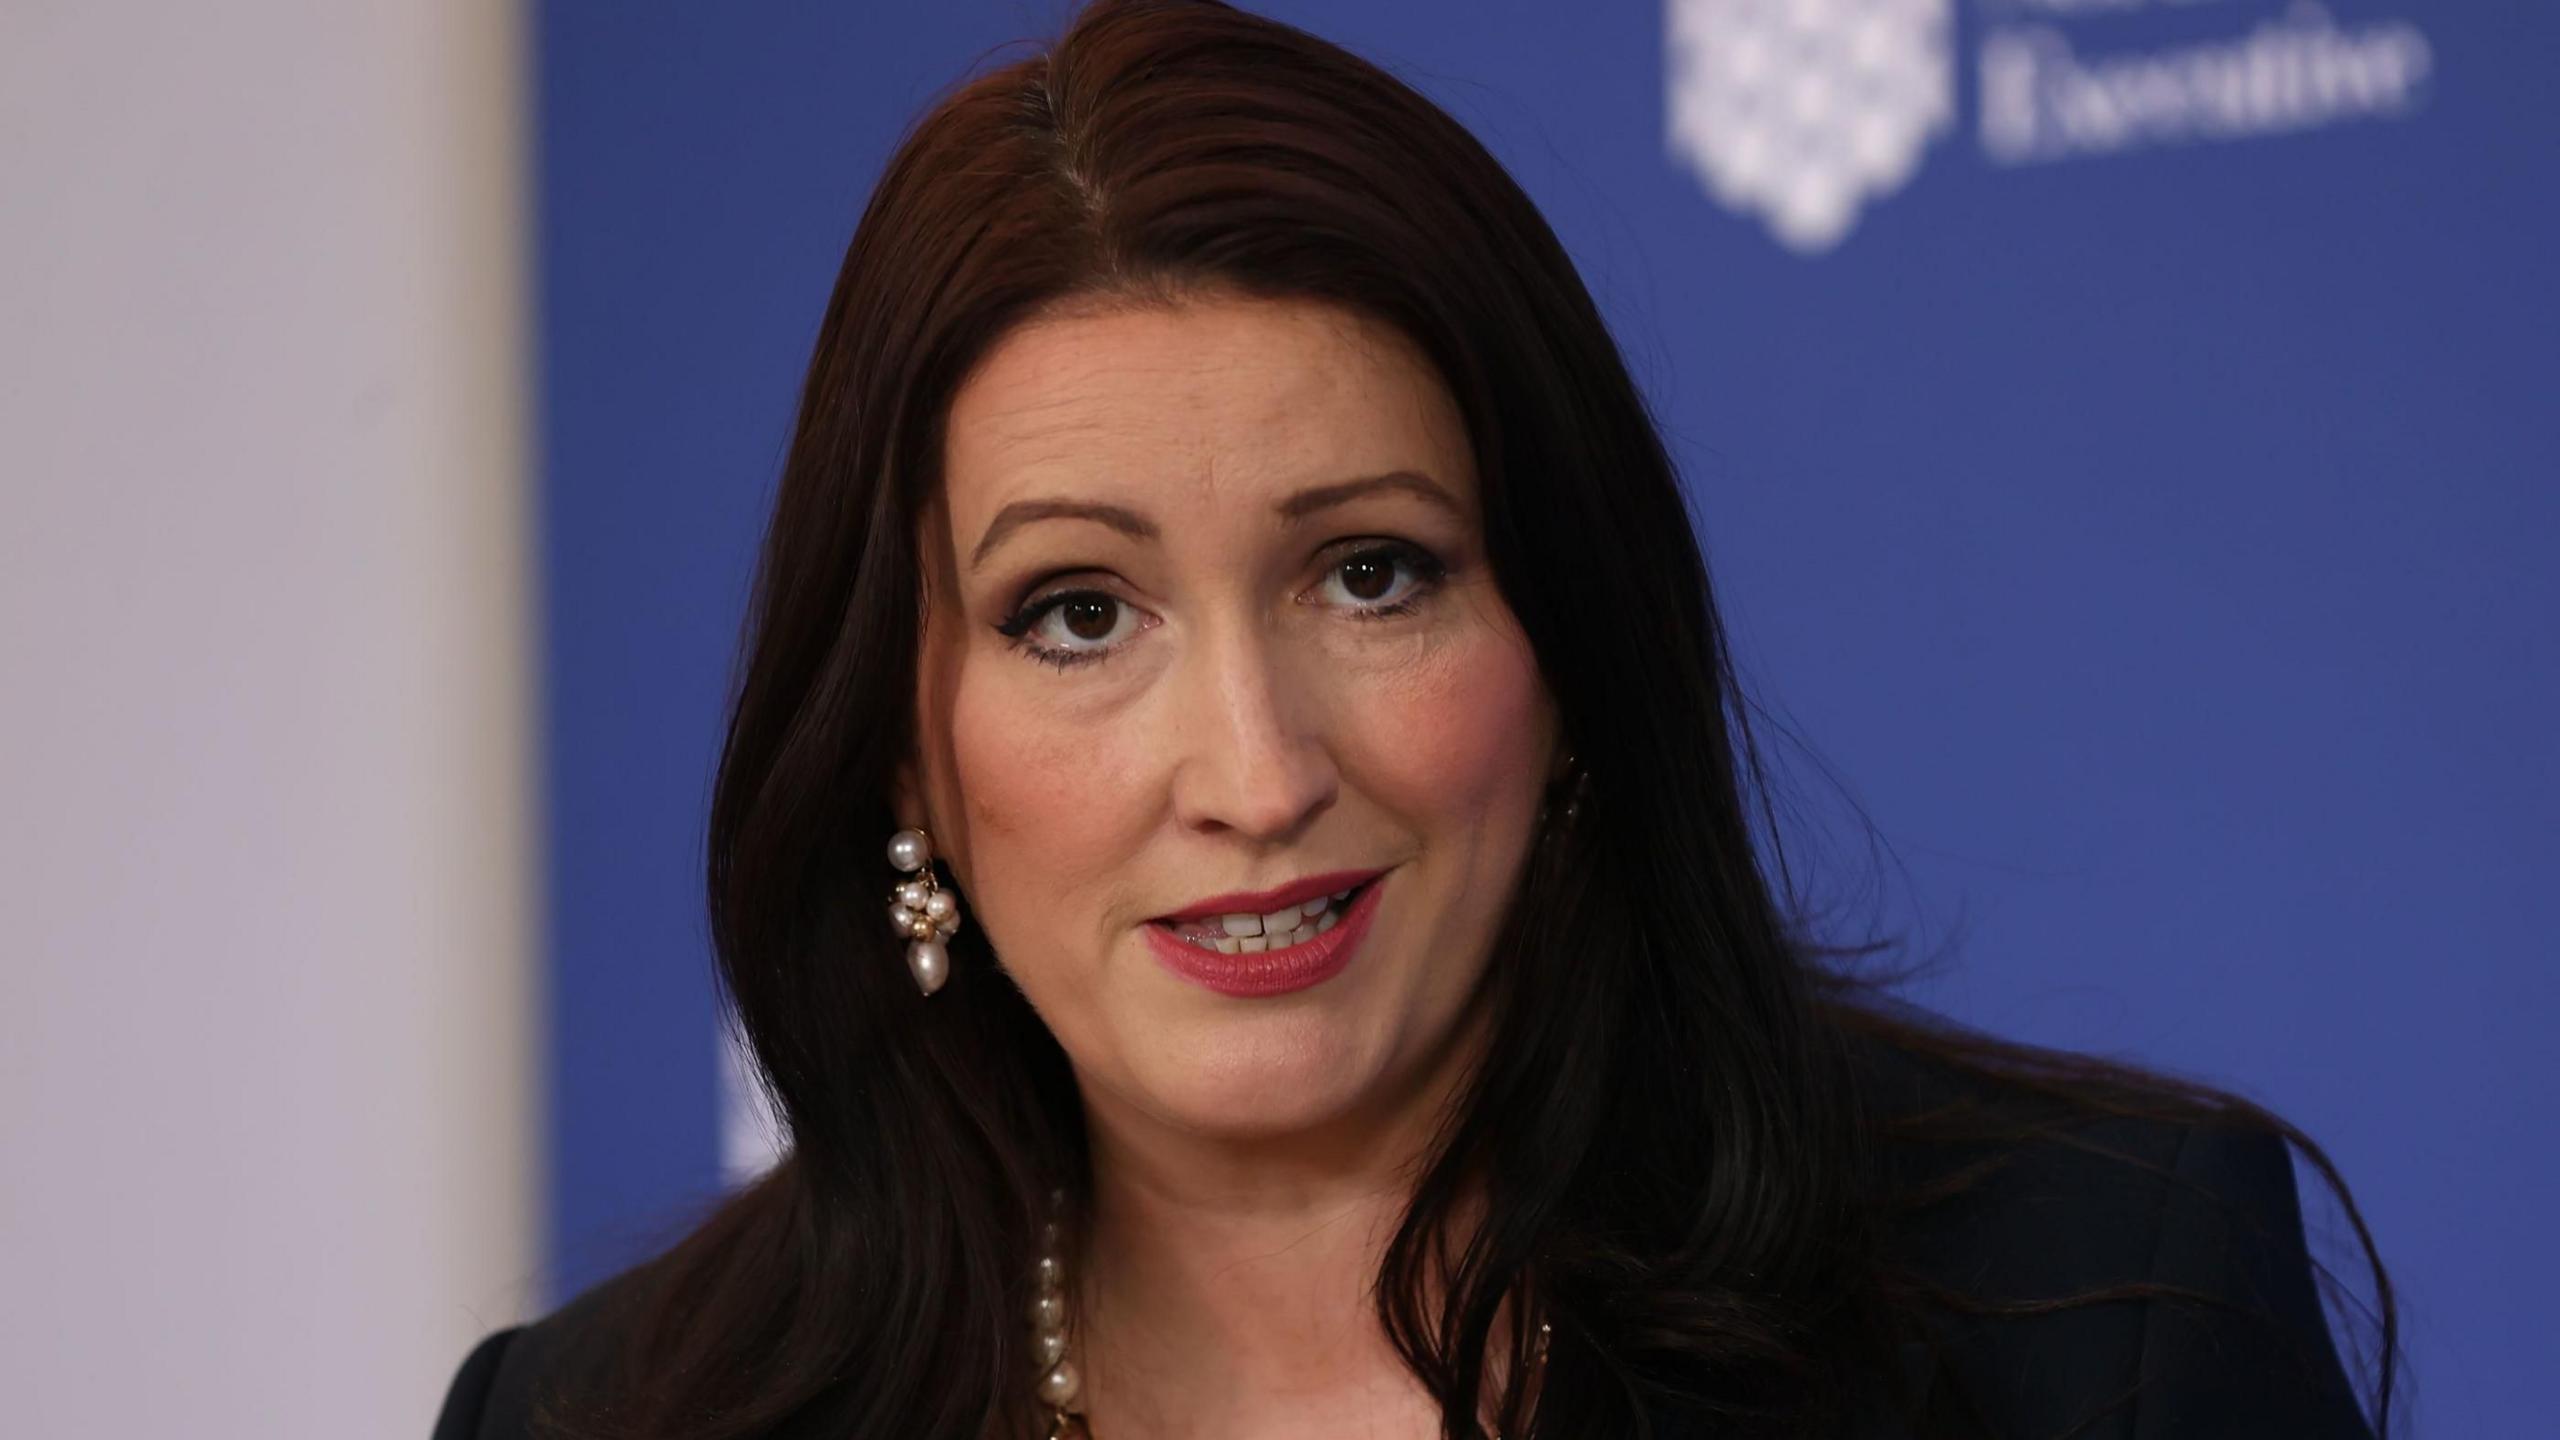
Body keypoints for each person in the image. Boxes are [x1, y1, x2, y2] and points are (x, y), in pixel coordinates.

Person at [435, 2, 2398, 1436]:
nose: (1259, 773)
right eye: (1075, 613)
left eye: (1368, 573)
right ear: (899, 754)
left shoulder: (2088, 1318)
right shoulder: (600, 1422)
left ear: (1566, 644)